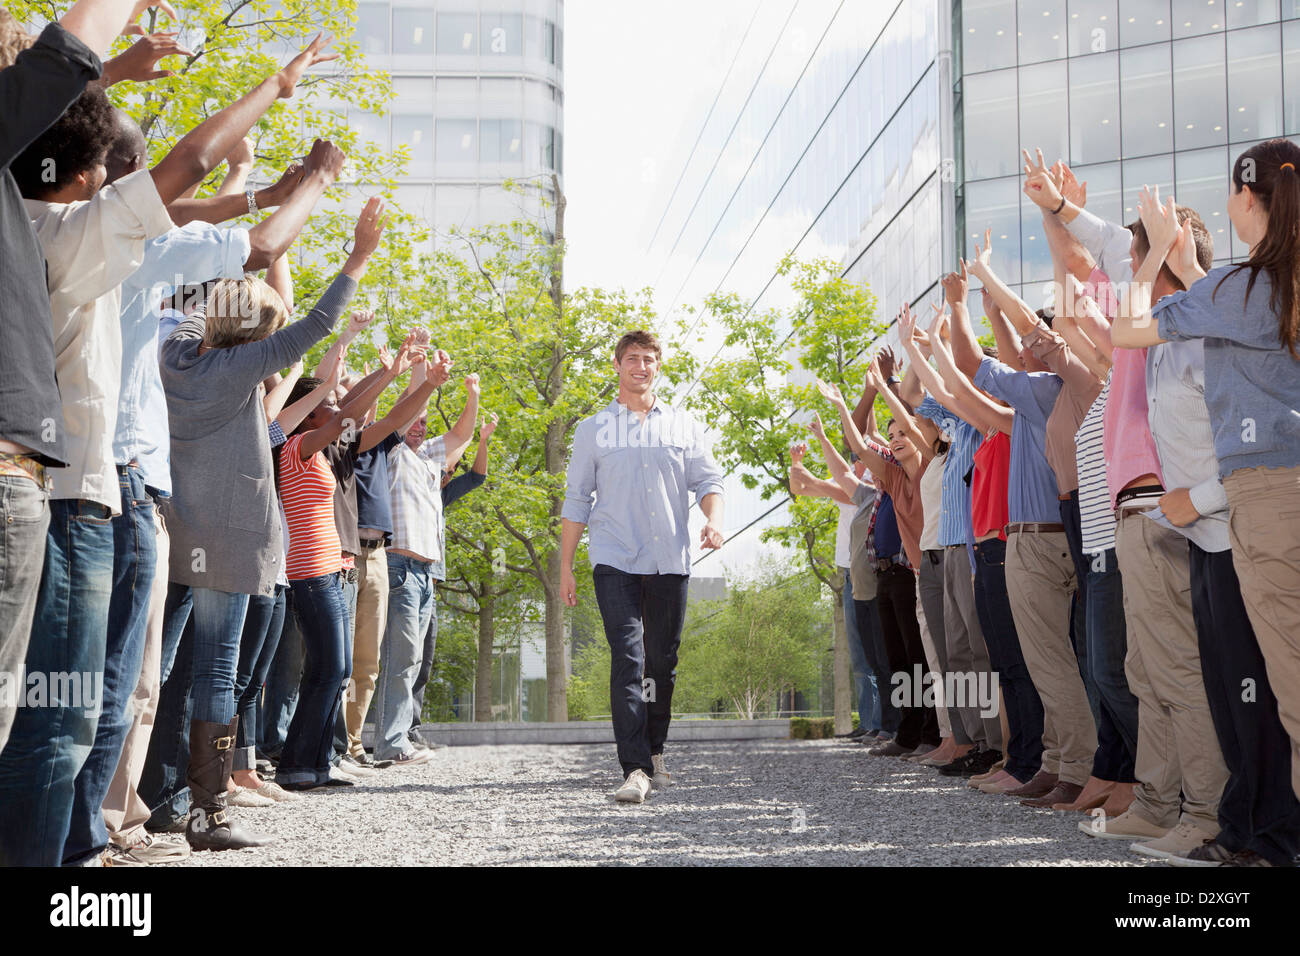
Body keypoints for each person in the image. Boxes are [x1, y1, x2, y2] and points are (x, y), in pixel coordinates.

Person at [158, 183, 384, 850]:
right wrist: (356, 259)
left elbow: (210, 312)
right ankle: (209, 810)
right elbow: (311, 327)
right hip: (231, 542)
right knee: (216, 672)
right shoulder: (237, 367)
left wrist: (231, 278)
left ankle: (159, 797)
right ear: (252, 335)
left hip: (177, 533)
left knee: (162, 669)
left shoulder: (169, 355)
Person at [1114, 151, 1300, 865]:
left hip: (1261, 500)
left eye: (1231, 187)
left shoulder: (1248, 285)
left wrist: (1159, 251)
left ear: (1249, 199)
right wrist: (1187, 265)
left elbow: (1128, 330)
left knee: (1283, 691)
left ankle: (1272, 839)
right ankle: (1260, 837)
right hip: (1266, 498)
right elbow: (1229, 314)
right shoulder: (1262, 286)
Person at [561, 330, 725, 804]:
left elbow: (708, 480)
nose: (641, 366)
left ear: (659, 366)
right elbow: (576, 500)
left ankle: (654, 752)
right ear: (617, 365)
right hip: (613, 557)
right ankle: (633, 768)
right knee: (628, 659)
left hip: (669, 560)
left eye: (649, 359)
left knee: (662, 663)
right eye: (632, 358)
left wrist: (714, 521)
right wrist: (566, 567)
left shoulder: (684, 425)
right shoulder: (591, 429)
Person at [372, 367, 478, 766]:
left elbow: (462, 435)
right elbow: (401, 412)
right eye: (413, 420)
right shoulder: (394, 453)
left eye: (424, 422)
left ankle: (396, 738)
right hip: (399, 564)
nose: (418, 426)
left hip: (426, 574)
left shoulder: (430, 461)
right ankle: (390, 744)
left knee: (412, 660)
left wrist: (472, 394)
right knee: (400, 660)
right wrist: (421, 374)